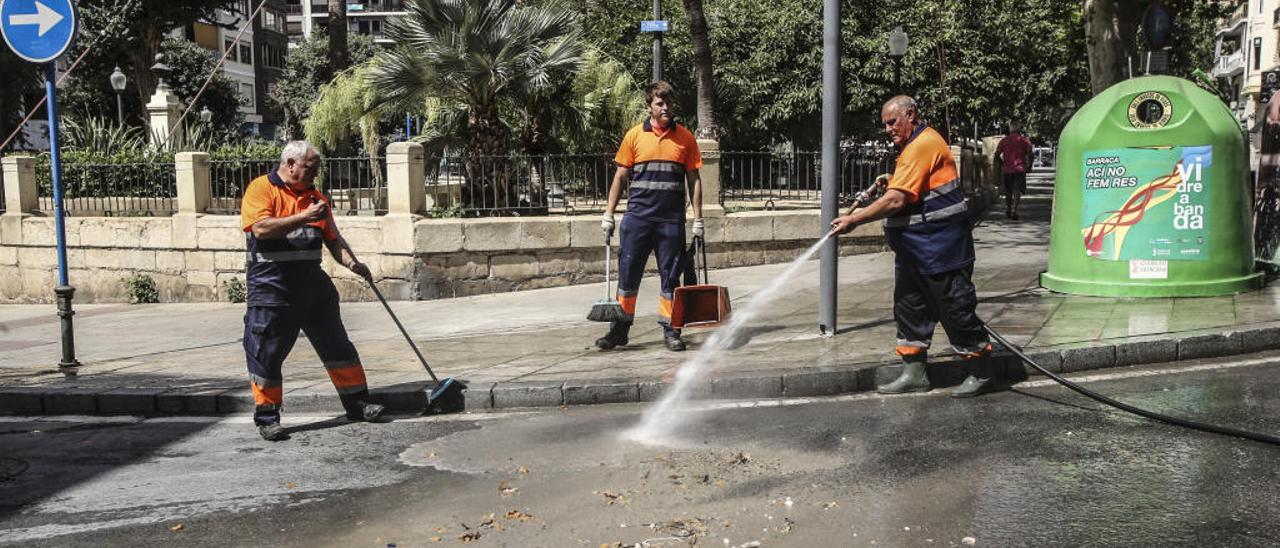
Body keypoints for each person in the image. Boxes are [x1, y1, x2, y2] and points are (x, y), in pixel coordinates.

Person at [830, 96, 996, 398]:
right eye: (884, 124)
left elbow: (897, 200)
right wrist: (892, 178)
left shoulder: (923, 144)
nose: (888, 129)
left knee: (955, 309)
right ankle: (914, 373)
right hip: (915, 252)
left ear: (911, 115)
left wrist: (855, 220)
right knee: (910, 309)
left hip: (941, 250)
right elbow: (912, 187)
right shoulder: (913, 148)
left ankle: (981, 370)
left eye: (892, 122)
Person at [240, 141, 385, 441]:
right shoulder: (261, 189)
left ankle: (358, 404)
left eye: (317, 168)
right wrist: (303, 216)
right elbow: (261, 229)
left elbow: (333, 239)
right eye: (311, 168)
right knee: (265, 353)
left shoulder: (317, 198)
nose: (315, 174)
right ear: (290, 163)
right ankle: (267, 417)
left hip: (312, 287)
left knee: (338, 347)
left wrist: (353, 263)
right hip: (272, 288)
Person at [598, 80, 705, 352]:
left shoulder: (686, 138)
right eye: (660, 103)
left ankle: (672, 331)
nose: (665, 107)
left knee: (671, 278)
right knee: (628, 276)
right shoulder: (634, 136)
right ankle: (619, 331)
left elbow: (694, 179)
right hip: (638, 219)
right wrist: (609, 213)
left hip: (671, 221)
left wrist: (698, 218)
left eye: (668, 102)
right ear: (650, 106)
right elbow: (620, 176)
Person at [995, 121, 1034, 220]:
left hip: (1007, 170)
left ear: (1010, 129)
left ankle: (1008, 208)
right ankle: (1014, 211)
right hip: (1019, 170)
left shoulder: (1004, 140)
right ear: (1019, 129)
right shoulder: (1025, 140)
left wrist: (1002, 164)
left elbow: (996, 154)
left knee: (1008, 191)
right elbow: (1030, 154)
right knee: (1017, 191)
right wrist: (1029, 166)